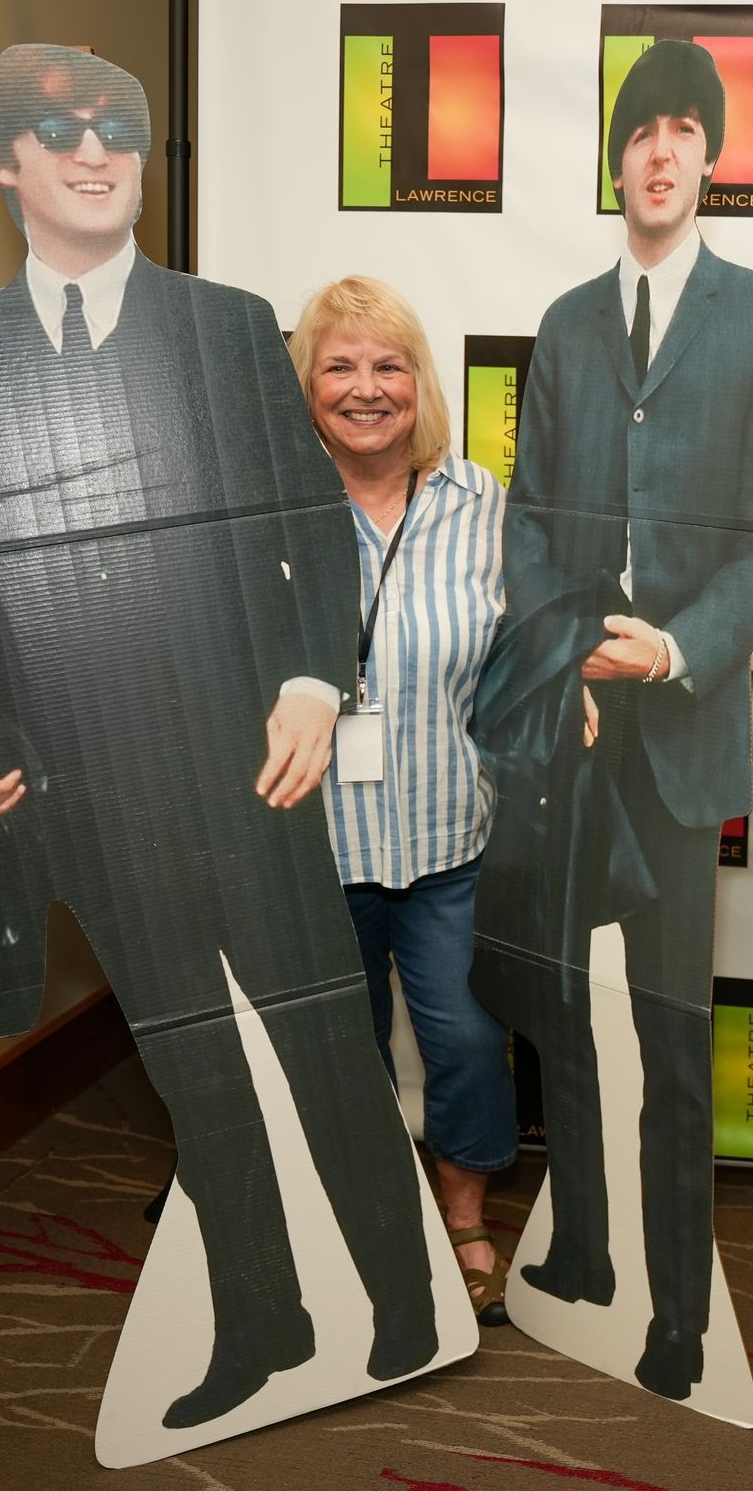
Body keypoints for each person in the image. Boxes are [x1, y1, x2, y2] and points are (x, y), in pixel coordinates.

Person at [0, 45, 441, 1431]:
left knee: (322, 1046)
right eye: (61, 131)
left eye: (121, 127)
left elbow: (310, 526)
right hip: (86, 797)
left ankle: (403, 1309)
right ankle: (267, 1325)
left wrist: (314, 677)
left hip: (252, 774)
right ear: (9, 163)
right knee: (192, 1069)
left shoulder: (228, 329)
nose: (98, 151)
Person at [471, 38, 753, 1401]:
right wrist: (561, 664)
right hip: (571, 730)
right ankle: (586, 1251)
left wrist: (671, 651)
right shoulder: (564, 325)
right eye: (638, 131)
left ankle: (678, 1312)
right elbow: (532, 524)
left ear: (712, 157)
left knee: (672, 1037)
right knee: (561, 1010)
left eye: (684, 128)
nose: (660, 151)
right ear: (615, 159)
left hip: (676, 729)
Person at [288, 277, 514, 1325]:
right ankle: (372, 1212)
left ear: (420, 382)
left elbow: (530, 645)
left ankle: (462, 1213)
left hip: (448, 835)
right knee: (343, 1046)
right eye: (339, 366)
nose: (366, 388)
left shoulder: (480, 504)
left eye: (389, 365)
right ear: (307, 384)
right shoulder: (273, 514)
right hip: (313, 843)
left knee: (466, 1040)